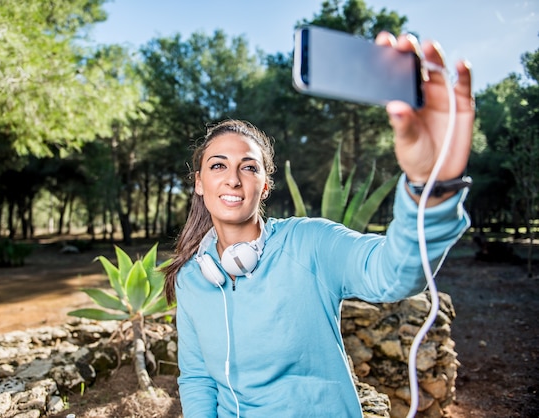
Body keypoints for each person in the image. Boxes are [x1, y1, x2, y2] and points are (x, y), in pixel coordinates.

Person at [162, 31, 474, 418]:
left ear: (265, 184)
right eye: (218, 166)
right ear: (199, 182)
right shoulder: (194, 278)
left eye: (248, 167)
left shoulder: (310, 243)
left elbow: (394, 274)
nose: (232, 179)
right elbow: (196, 378)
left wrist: (431, 186)